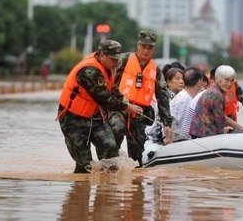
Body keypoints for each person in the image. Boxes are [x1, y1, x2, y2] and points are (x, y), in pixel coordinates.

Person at [56, 40, 143, 173]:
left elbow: (113, 90)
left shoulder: (108, 68)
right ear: (102, 55)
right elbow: (105, 99)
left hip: (94, 116)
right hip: (72, 120)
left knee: (110, 147)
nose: (115, 62)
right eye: (112, 59)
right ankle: (80, 191)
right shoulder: (89, 71)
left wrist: (126, 103)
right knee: (84, 166)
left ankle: (106, 189)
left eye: (117, 59)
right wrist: (126, 107)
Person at [108, 30, 174, 167]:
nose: (146, 50)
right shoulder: (123, 60)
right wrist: (119, 104)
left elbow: (162, 97)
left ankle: (136, 185)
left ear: (153, 49)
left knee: (137, 154)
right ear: (138, 45)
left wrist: (167, 123)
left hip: (139, 114)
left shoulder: (155, 70)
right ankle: (109, 170)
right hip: (119, 108)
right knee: (116, 129)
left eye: (149, 47)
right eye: (143, 46)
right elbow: (110, 84)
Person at [189, 65, 242, 138]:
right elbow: (220, 123)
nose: (229, 84)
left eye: (232, 80)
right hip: (203, 136)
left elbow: (221, 117)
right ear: (218, 79)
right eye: (226, 80)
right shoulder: (217, 95)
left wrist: (242, 129)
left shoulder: (213, 89)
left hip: (198, 133)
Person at [170, 66, 204, 141]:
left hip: (188, 141)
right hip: (178, 143)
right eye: (202, 80)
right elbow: (170, 122)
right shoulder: (182, 99)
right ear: (199, 81)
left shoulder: (190, 98)